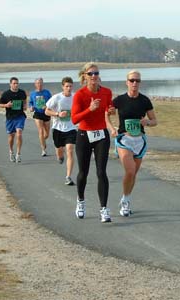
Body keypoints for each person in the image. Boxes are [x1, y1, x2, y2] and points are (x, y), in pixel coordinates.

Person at [71, 62, 114, 223]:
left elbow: (109, 109)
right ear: (84, 76)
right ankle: (80, 201)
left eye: (96, 73)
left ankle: (104, 209)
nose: (94, 76)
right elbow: (74, 119)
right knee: (84, 172)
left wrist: (111, 111)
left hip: (101, 134)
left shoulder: (107, 92)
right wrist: (89, 109)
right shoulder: (80, 95)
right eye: (91, 74)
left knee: (101, 172)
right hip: (84, 135)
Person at [111, 70, 157, 217]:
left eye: (137, 81)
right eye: (132, 80)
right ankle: (125, 202)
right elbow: (106, 114)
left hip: (139, 141)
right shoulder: (119, 100)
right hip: (124, 139)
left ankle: (126, 198)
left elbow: (155, 121)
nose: (134, 83)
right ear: (127, 82)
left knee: (133, 174)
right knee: (130, 171)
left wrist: (147, 122)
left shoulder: (144, 100)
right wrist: (111, 128)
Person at [45, 77, 77, 186]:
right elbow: (46, 111)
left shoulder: (75, 97)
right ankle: (59, 156)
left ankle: (68, 177)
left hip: (71, 127)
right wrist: (58, 114)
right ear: (62, 87)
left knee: (70, 150)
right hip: (58, 128)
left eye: (70, 86)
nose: (68, 88)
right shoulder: (56, 98)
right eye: (66, 86)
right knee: (59, 150)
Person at [0, 77, 27, 163]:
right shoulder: (6, 94)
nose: (16, 85)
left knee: (19, 133)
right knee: (11, 136)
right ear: (10, 84)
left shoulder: (22, 92)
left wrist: (25, 105)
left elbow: (24, 100)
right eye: (14, 83)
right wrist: (6, 105)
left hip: (20, 116)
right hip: (10, 117)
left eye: (17, 83)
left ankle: (18, 154)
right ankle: (11, 152)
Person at [29, 78, 52, 157]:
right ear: (35, 84)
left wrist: (46, 106)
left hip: (46, 113)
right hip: (37, 114)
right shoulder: (32, 93)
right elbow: (31, 102)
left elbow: (51, 102)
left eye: (41, 83)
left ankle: (42, 141)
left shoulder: (47, 92)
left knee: (47, 134)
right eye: (38, 83)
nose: (39, 84)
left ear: (43, 84)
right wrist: (31, 107)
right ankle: (43, 150)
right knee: (41, 131)